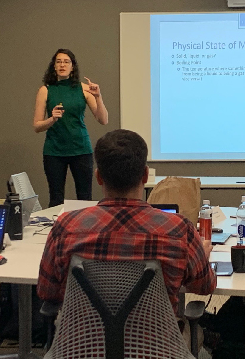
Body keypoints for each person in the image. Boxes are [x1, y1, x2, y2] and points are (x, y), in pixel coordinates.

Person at [37, 129, 216, 315]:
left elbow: (46, 291)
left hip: (82, 342)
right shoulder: (178, 229)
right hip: (156, 342)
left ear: (98, 177)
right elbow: (205, 286)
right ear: (145, 176)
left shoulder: (66, 227)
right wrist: (201, 256)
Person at [33, 48, 109, 207]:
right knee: (55, 197)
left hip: (81, 149)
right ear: (54, 66)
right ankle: (56, 231)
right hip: (54, 151)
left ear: (72, 66)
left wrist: (98, 96)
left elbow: (103, 120)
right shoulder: (45, 90)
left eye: (66, 62)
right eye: (58, 62)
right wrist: (52, 119)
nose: (62, 65)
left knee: (84, 197)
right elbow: (37, 126)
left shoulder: (84, 89)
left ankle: (83, 231)